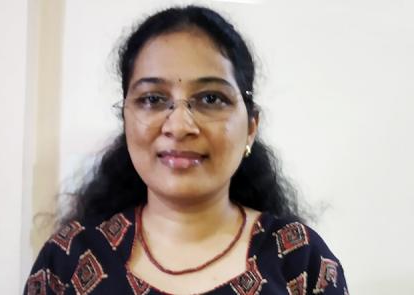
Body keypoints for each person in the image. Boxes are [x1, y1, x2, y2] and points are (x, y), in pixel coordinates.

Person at [24, 5, 348, 295]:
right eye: (152, 99)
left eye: (210, 99)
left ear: (251, 126)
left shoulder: (300, 260)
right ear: (126, 119)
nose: (179, 126)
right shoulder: (68, 262)